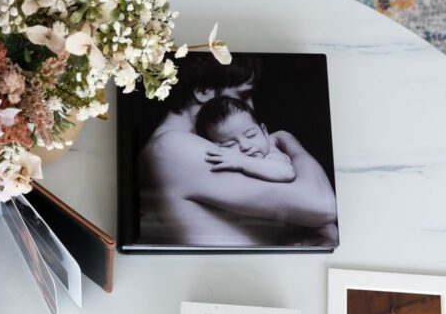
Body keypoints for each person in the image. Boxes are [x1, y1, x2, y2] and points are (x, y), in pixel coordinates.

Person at [137, 56, 338, 248]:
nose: (250, 106)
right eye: (243, 95)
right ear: (205, 90)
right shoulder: (173, 148)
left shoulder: (191, 146)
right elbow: (324, 206)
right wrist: (289, 142)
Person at [196, 95, 295, 182]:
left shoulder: (271, 155)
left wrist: (241, 162)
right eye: (230, 144)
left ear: (264, 131)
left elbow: (287, 173)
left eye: (251, 135)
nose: (245, 146)